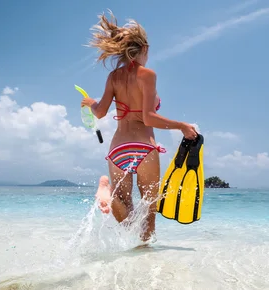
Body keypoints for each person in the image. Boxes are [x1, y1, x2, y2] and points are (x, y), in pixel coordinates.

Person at [80, 10, 198, 242]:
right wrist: (182, 125)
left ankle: (107, 194)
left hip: (118, 150)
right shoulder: (147, 75)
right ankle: (147, 258)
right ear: (144, 49)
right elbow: (148, 118)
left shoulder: (113, 76)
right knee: (148, 216)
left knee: (127, 211)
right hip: (143, 148)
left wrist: (92, 103)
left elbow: (101, 112)